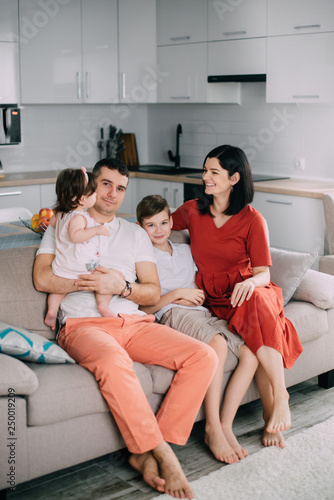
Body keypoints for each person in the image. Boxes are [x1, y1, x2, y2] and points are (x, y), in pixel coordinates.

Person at [33, 157, 218, 500]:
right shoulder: (65, 222)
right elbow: (43, 277)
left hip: (133, 321)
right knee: (114, 361)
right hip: (83, 325)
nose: (112, 194)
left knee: (203, 356)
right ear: (92, 185)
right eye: (106, 184)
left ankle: (143, 451)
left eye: (120, 188)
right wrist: (89, 284)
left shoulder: (134, 234)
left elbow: (150, 290)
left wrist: (121, 286)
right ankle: (163, 453)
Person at [171, 145, 304, 449]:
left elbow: (263, 274)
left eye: (213, 172)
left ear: (234, 178)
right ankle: (275, 411)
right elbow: (155, 224)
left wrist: (253, 284)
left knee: (257, 303)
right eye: (204, 170)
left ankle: (279, 398)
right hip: (217, 301)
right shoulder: (192, 210)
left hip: (249, 294)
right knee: (260, 332)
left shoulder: (252, 219)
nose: (205, 177)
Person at [137, 194, 259, 464]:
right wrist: (176, 295)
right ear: (140, 227)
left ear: (172, 221)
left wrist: (199, 294)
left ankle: (226, 425)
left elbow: (199, 284)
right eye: (150, 225)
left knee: (251, 351)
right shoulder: (142, 258)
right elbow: (144, 308)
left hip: (200, 312)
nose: (159, 230)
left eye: (163, 222)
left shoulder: (183, 250)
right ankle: (212, 427)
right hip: (171, 313)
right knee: (216, 344)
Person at [44, 167, 114, 330]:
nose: (97, 196)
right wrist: (96, 230)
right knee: (103, 280)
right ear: (82, 199)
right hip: (81, 266)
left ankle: (52, 310)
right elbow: (75, 236)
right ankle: (103, 305)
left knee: (58, 291)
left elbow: (53, 225)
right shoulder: (79, 217)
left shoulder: (60, 215)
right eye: (94, 194)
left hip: (62, 266)